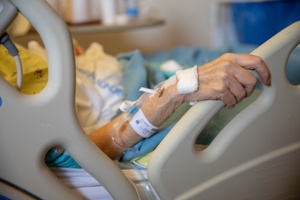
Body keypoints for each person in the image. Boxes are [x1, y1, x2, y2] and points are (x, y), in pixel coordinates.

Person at [87, 52, 271, 160]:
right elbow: (73, 153)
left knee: (267, 56)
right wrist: (174, 91)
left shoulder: (62, 44)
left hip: (144, 62)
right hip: (160, 86)